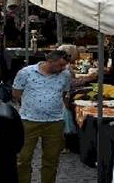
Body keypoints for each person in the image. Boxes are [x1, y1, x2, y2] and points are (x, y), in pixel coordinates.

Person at [13, 50, 72, 183]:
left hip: (54, 122)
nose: (62, 69)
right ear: (50, 61)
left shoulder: (65, 75)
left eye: (64, 66)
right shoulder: (26, 73)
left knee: (51, 159)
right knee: (23, 158)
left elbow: (64, 94)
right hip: (29, 120)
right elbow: (16, 93)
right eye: (60, 65)